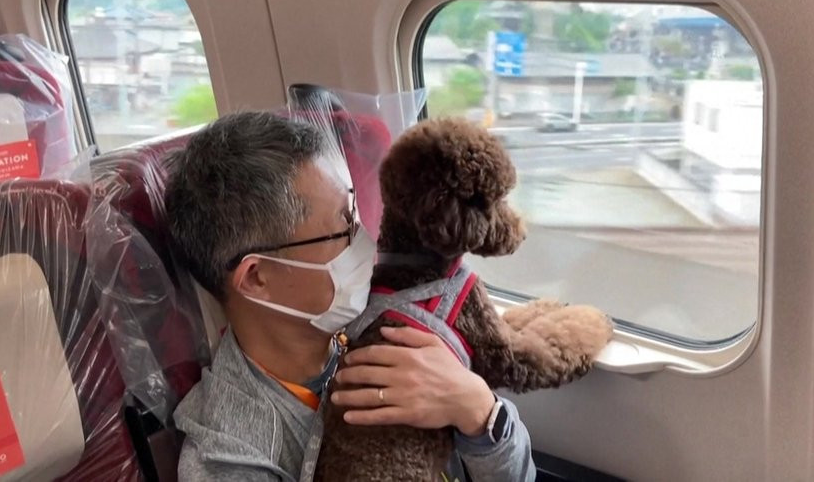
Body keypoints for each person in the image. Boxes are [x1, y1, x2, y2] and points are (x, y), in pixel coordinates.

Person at [165, 111, 536, 481]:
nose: (364, 241)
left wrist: (479, 411)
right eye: (340, 230)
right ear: (257, 278)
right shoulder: (229, 463)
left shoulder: (381, 319)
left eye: (353, 213)